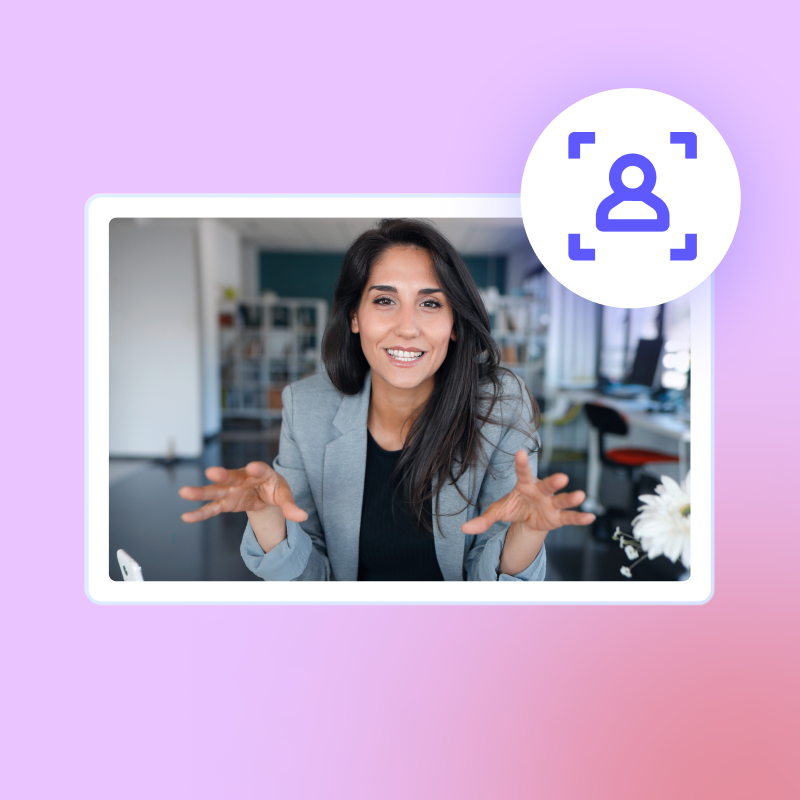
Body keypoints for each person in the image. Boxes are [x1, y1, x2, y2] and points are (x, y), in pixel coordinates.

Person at [179, 219, 595, 580]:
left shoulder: (499, 408)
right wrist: (266, 516)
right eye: (384, 300)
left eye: (430, 303)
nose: (407, 327)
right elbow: (311, 586)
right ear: (355, 317)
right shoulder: (307, 408)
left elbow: (486, 589)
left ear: (454, 324)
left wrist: (528, 533)